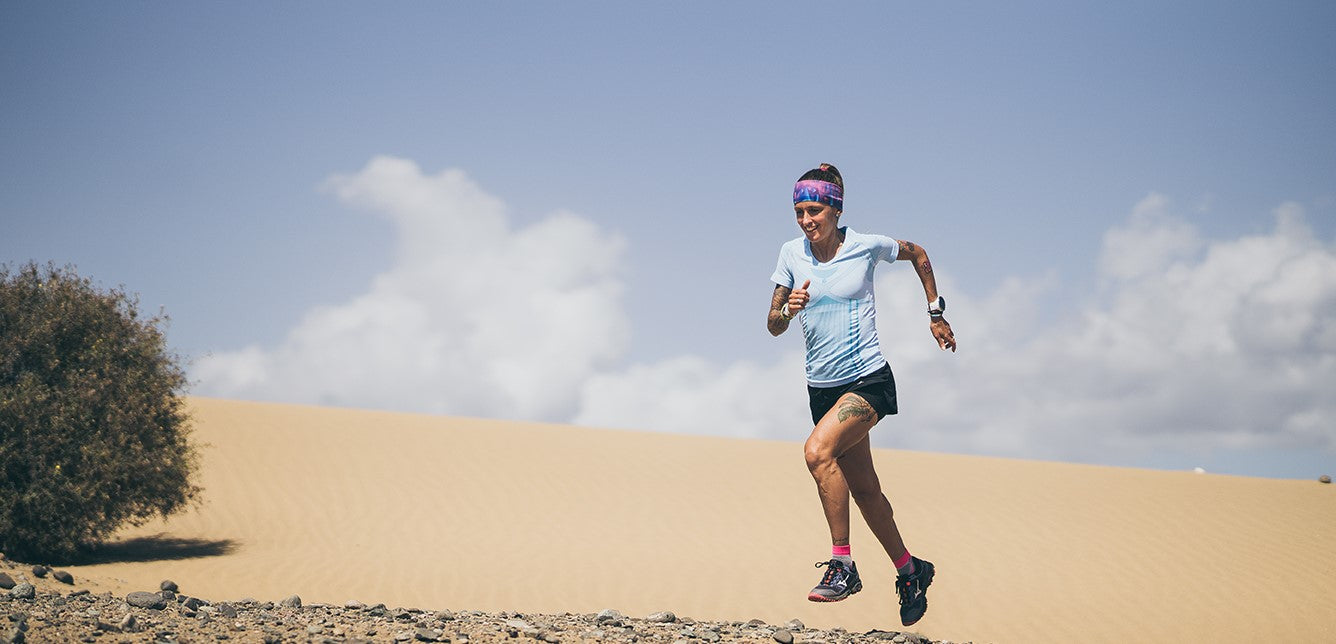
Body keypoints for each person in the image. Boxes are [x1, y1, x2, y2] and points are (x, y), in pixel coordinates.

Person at [767, 163, 955, 627]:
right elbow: (772, 324)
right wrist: (787, 310)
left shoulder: (866, 246)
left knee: (816, 452)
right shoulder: (791, 254)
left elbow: (918, 253)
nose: (806, 220)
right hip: (822, 389)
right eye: (799, 212)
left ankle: (843, 565)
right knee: (866, 491)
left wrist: (934, 312)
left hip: (867, 380)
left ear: (835, 208)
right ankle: (911, 570)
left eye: (814, 210)